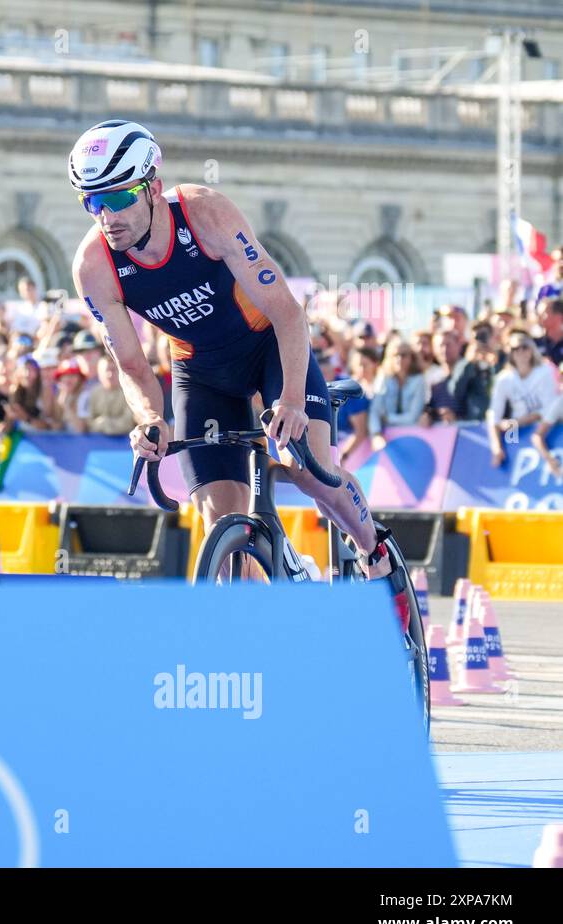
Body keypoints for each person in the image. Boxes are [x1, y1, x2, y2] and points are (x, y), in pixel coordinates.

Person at [67, 119, 410, 617]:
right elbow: (132, 365)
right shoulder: (93, 266)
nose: (105, 216)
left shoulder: (206, 215)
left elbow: (288, 313)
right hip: (202, 372)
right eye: (90, 202)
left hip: (266, 347)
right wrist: (149, 419)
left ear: (153, 188)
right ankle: (246, 634)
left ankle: (375, 551)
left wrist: (292, 401)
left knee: (310, 470)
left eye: (117, 199)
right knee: (216, 516)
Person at [487, 330, 559, 468]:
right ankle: (509, 466)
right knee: (510, 439)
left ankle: (552, 466)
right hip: (517, 429)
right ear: (510, 353)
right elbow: (493, 415)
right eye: (515, 349)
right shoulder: (504, 379)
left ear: (532, 350)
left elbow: (550, 409)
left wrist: (519, 421)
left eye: (524, 347)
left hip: (544, 427)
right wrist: (496, 447)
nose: (520, 352)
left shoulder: (545, 371)